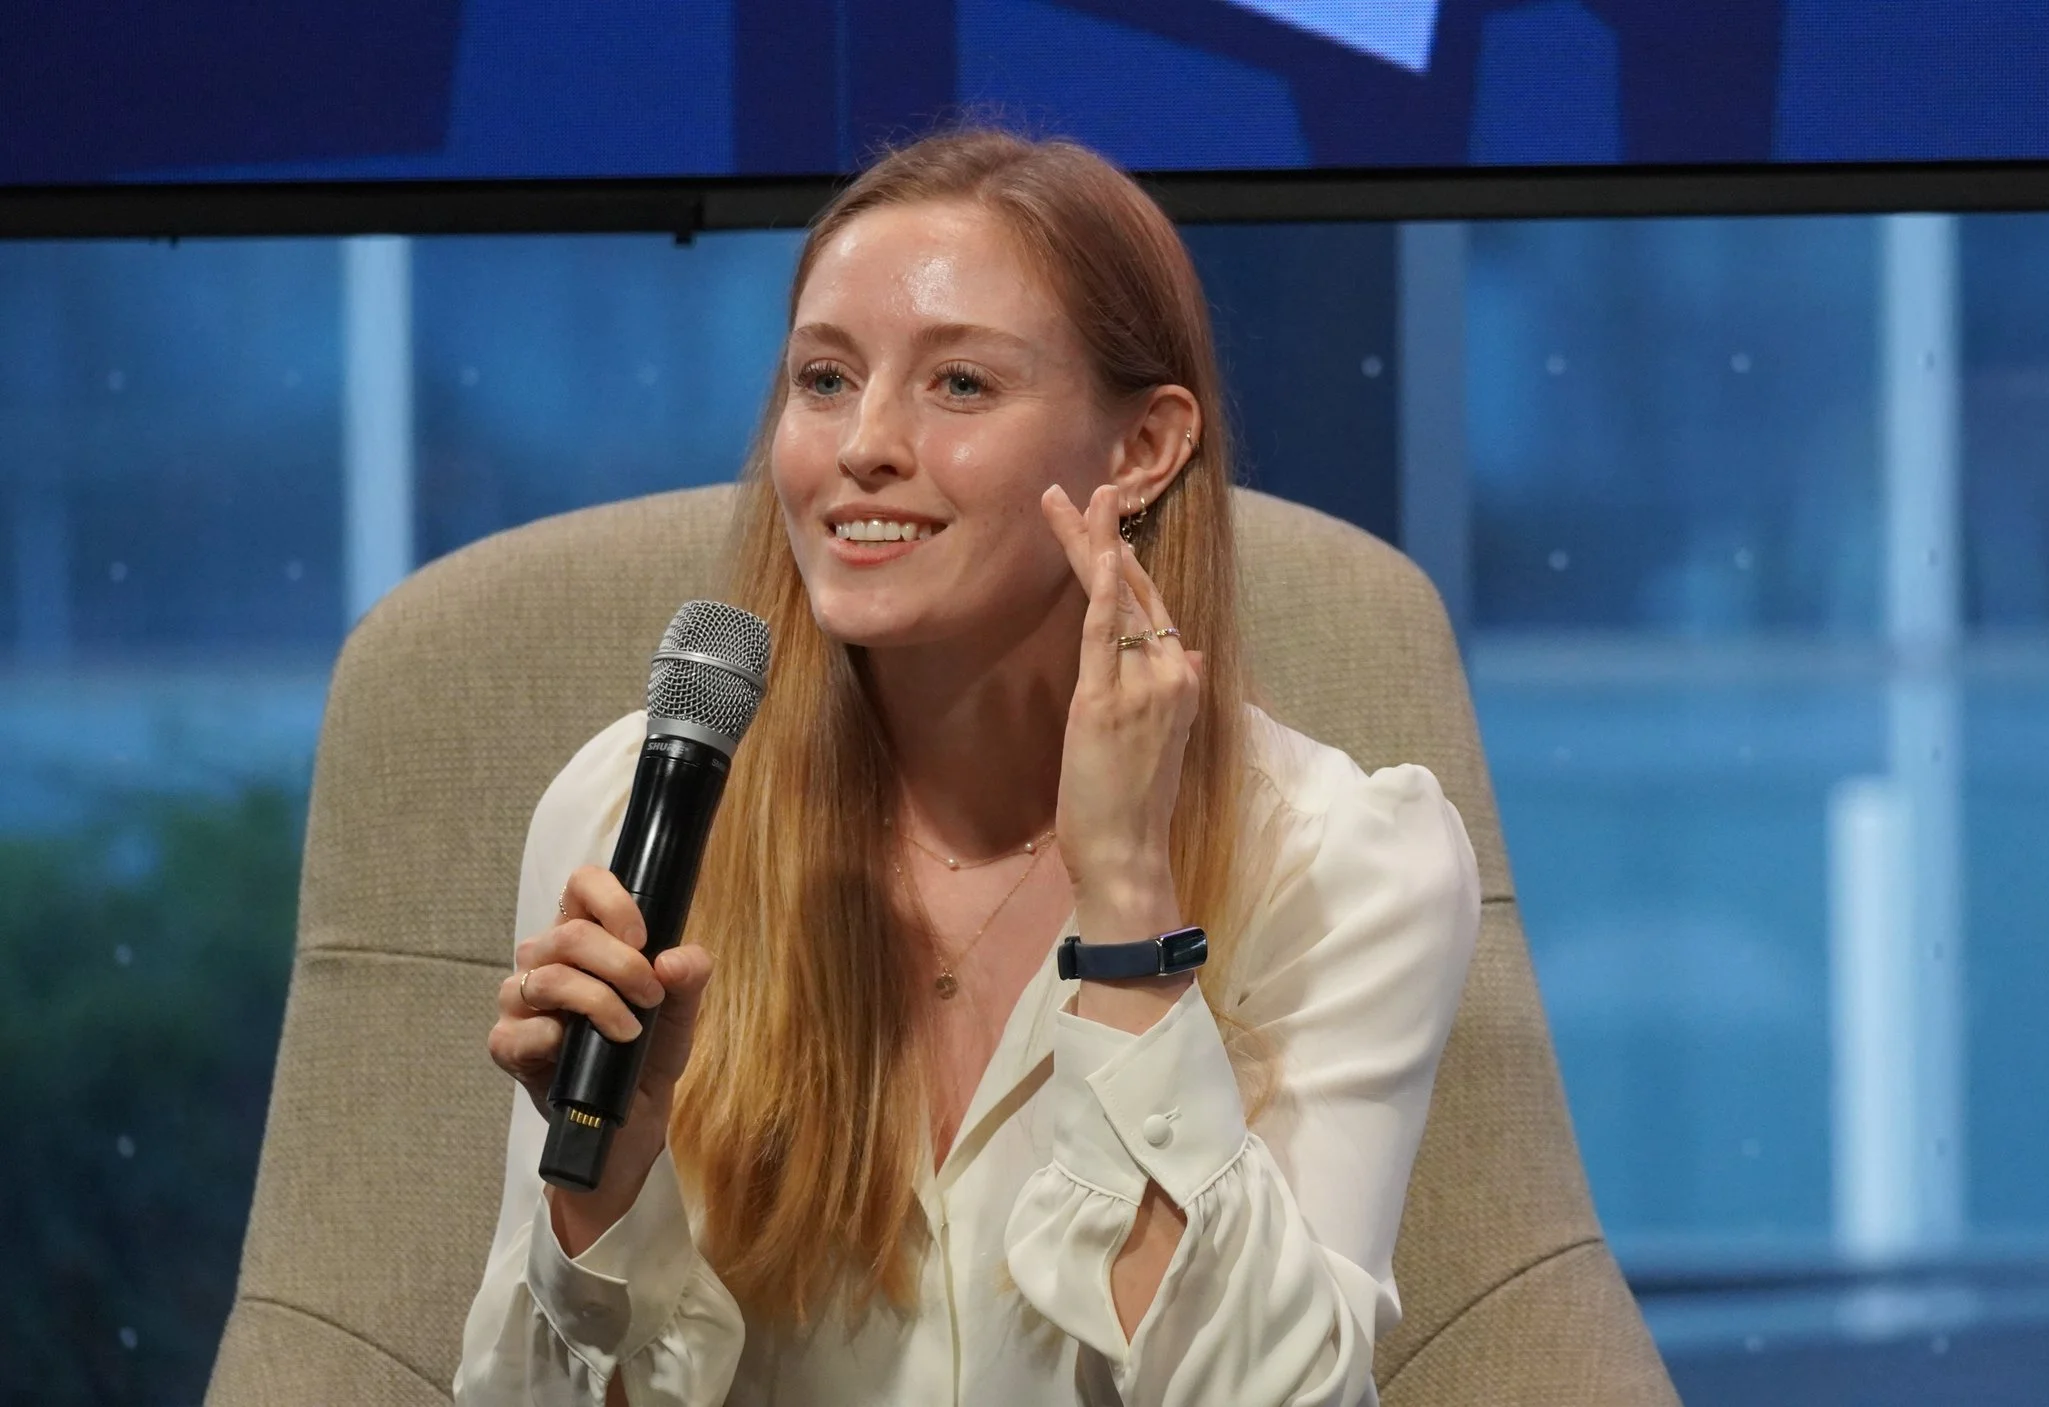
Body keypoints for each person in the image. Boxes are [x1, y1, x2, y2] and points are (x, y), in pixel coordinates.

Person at [452, 128, 1480, 1406]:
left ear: (1143, 449)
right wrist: (603, 1187)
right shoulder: (631, 810)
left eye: (960, 387)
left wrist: (1127, 917)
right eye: (822, 380)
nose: (862, 445)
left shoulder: (1349, 863)